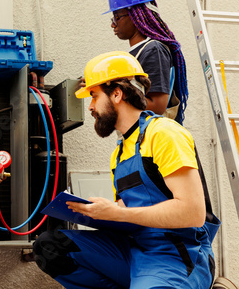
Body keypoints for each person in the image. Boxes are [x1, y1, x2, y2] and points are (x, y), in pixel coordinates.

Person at [33, 52, 220, 289]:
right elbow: (128, 209)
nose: (90, 107)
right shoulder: (119, 153)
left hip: (177, 254)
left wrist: (118, 213)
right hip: (134, 249)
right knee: (50, 247)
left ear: (117, 94)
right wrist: (98, 212)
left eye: (94, 96)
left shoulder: (164, 134)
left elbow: (192, 212)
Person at [105, 0, 189, 124]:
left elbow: (157, 106)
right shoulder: (135, 54)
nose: (113, 25)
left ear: (136, 16)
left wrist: (111, 92)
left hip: (154, 141)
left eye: (117, 18)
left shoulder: (153, 50)